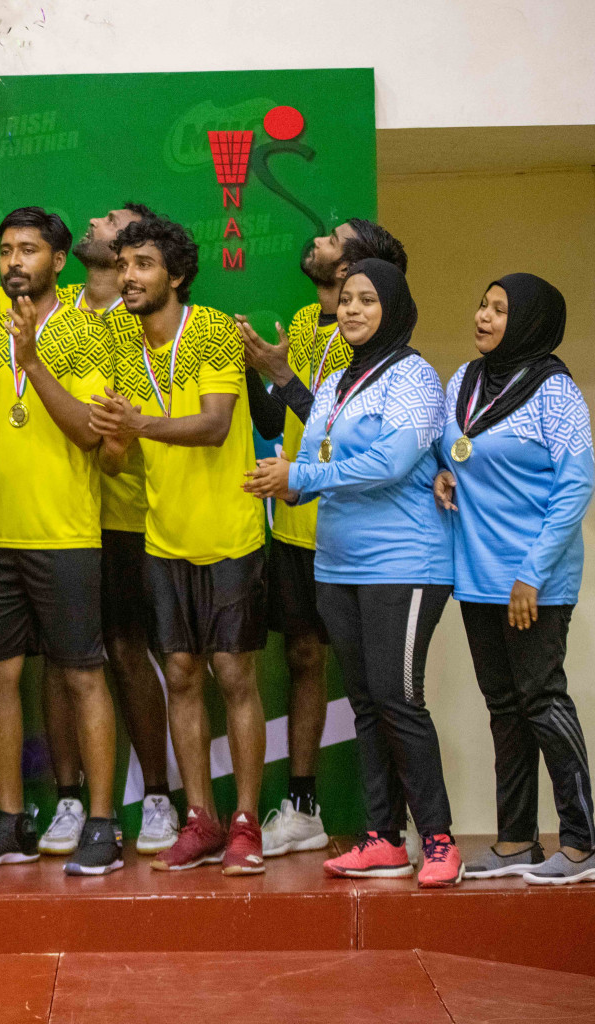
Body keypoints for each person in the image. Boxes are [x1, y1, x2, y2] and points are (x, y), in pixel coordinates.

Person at [245, 258, 462, 888]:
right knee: (367, 703)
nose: (352, 309)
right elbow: (314, 462)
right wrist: (284, 483)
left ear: (392, 307)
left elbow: (392, 463)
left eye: (367, 299)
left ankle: (441, 841)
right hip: (336, 565)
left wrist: (303, 477)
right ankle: (384, 839)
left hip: (407, 565)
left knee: (399, 701)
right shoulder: (337, 380)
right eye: (345, 300)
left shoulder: (416, 375)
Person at [0, 206, 123, 876]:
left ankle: (102, 823)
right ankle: (11, 819)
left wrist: (32, 362)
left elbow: (88, 431)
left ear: (56, 260)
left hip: (66, 534)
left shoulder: (88, 332)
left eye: (27, 250)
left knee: (80, 675)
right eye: (4, 250)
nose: (13, 261)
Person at [92, 215, 268, 875]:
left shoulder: (214, 330)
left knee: (234, 675)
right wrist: (114, 435)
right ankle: (202, 820)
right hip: (163, 541)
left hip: (230, 534)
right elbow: (116, 463)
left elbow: (216, 426)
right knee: (184, 678)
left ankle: (247, 823)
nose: (128, 277)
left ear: (177, 274)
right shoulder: (121, 348)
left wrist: (139, 424)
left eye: (142, 264)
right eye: (124, 265)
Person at [234, 218, 408, 858]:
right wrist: (264, 376)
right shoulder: (306, 322)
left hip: (365, 537)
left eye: (335, 238)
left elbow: (342, 429)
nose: (319, 240)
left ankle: (398, 823)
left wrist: (283, 377)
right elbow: (279, 423)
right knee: (305, 660)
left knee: (382, 682)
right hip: (299, 526)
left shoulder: (382, 346)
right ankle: (304, 808)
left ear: (356, 263)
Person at [434, 274, 595, 885]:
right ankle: (515, 840)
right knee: (504, 708)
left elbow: (576, 485)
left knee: (542, 700)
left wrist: (531, 574)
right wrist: (441, 473)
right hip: (476, 578)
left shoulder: (558, 392)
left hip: (535, 582)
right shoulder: (465, 382)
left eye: (500, 310)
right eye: (483, 303)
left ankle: (581, 843)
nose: (483, 316)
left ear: (528, 321)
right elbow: (452, 448)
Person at [54, 203, 178, 856]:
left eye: (114, 222)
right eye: (100, 219)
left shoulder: (142, 320)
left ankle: (158, 796)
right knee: (64, 661)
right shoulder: (58, 315)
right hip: (59, 519)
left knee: (130, 652)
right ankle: (69, 801)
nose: (97, 224)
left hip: (129, 515)